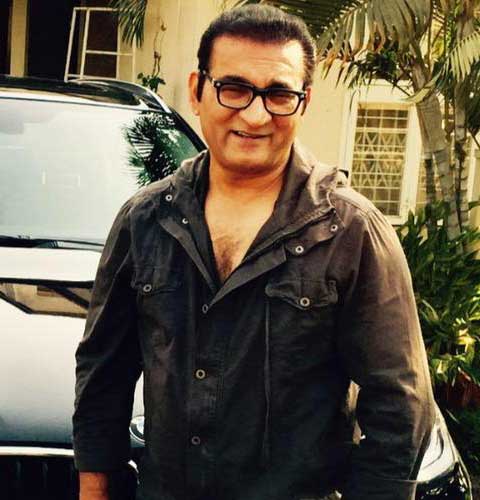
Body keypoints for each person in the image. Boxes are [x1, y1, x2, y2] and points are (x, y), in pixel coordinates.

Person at [73, 5, 435, 500]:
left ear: (304, 103)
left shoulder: (351, 233)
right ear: (197, 90)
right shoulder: (145, 221)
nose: (256, 114)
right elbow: (104, 375)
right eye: (234, 88)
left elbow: (400, 404)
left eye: (278, 94)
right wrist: (95, 489)